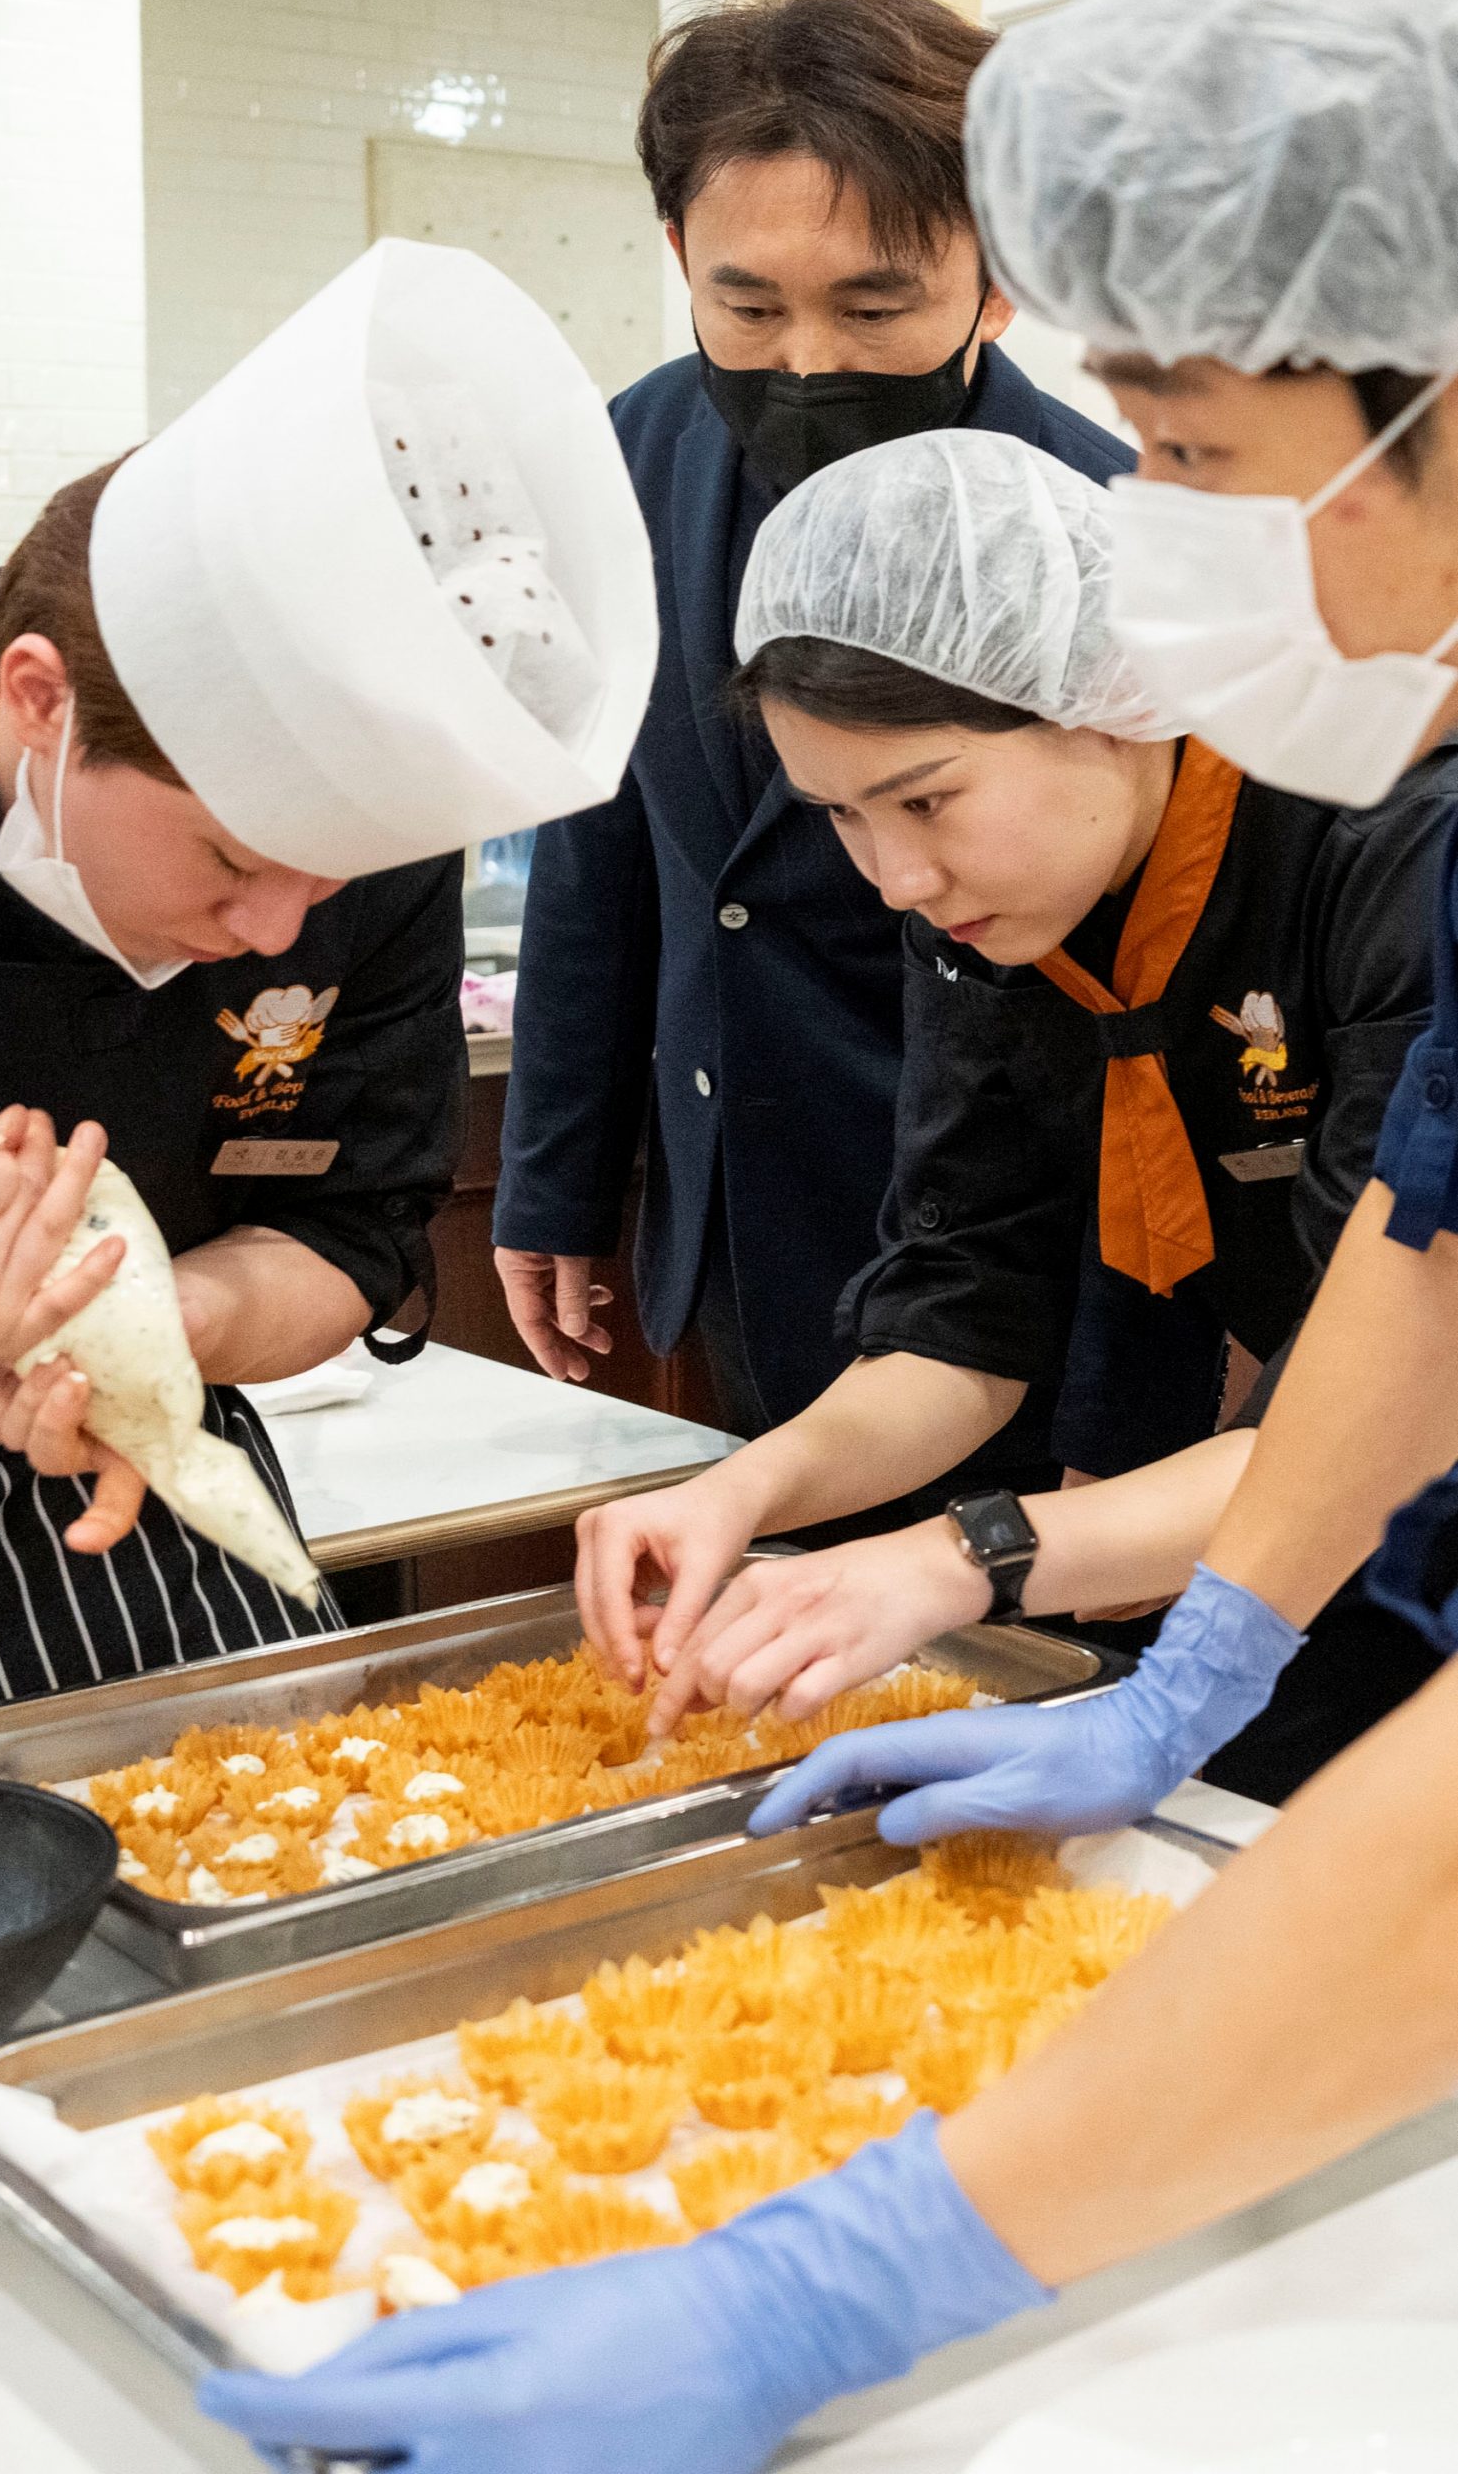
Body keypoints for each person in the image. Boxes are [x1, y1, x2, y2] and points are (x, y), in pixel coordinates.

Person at [196, 0, 1458, 2469]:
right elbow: (1415, 1296)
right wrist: (1187, 1650)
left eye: (1197, 462)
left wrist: (846, 2272)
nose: (1162, 551)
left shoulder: (1375, 843)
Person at [0, 237, 655, 1802]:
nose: (279, 928)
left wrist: (156, 1335)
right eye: (230, 857)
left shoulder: (356, 841)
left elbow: (342, 1240)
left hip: (148, 1472)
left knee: (296, 1848)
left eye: (328, 882)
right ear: (43, 697)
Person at [574, 424, 1452, 1804]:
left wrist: (959, 1557)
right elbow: (966, 1315)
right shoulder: (988, 914)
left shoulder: (1391, 843)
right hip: (1274, 1561)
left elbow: (1390, 1392)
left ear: (1112, 694)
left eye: (923, 799)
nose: (892, 877)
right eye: (838, 818)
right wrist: (754, 1490)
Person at [493, 0, 1143, 1485]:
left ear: (997, 277)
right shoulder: (622, 466)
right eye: (745, 304)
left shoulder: (1107, 527)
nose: (802, 361)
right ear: (678, 260)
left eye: (871, 306)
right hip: (733, 1193)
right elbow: (601, 835)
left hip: (1015, 1233)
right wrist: (553, 1179)